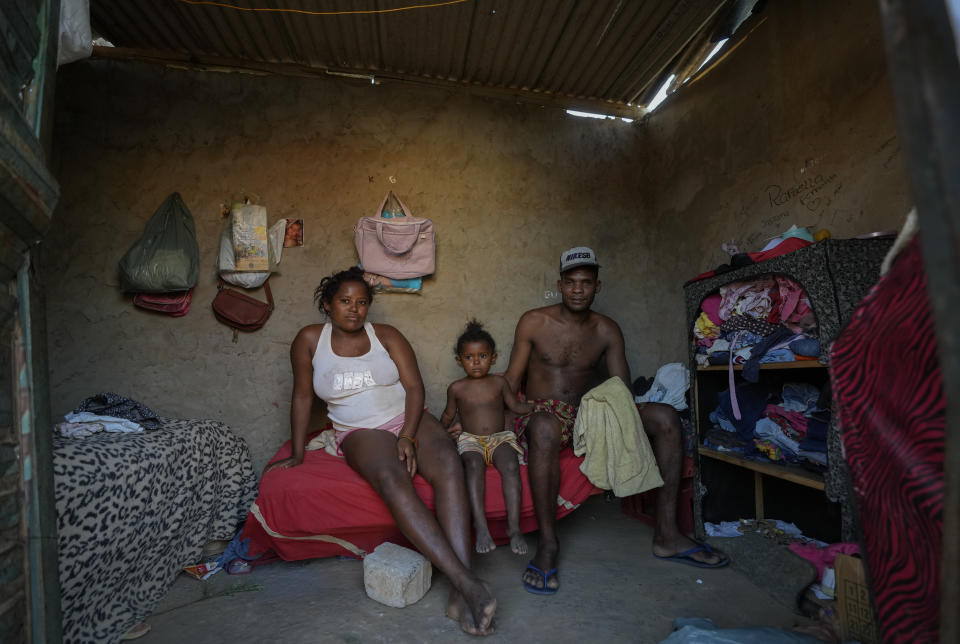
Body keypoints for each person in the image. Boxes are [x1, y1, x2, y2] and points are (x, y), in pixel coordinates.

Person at [264, 267, 496, 635]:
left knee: (450, 466)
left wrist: (406, 435)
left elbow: (415, 388)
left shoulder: (386, 336)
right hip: (359, 430)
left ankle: (458, 592)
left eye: (361, 302)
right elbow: (303, 397)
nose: (354, 309)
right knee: (391, 477)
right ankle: (468, 584)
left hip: (408, 418)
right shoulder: (310, 339)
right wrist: (296, 453)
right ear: (327, 304)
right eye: (344, 301)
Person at [504, 246, 728, 595]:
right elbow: (509, 381)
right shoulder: (533, 322)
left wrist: (617, 420)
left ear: (598, 287)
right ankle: (548, 544)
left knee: (667, 418)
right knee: (546, 427)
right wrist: (499, 421)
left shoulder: (607, 330)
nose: (578, 289)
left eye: (587, 283)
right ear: (560, 285)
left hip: (590, 412)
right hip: (541, 412)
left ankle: (667, 533)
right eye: (571, 282)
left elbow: (620, 390)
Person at [440, 320, 534, 556]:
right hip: (471, 439)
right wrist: (438, 433)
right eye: (469, 357)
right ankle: (481, 527)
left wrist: (535, 408)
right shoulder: (456, 388)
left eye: (482, 355)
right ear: (459, 360)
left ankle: (514, 528)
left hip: (499, 437)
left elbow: (514, 406)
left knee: (511, 466)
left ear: (493, 358)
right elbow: (448, 415)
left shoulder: (499, 383)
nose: (476, 361)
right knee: (473, 465)